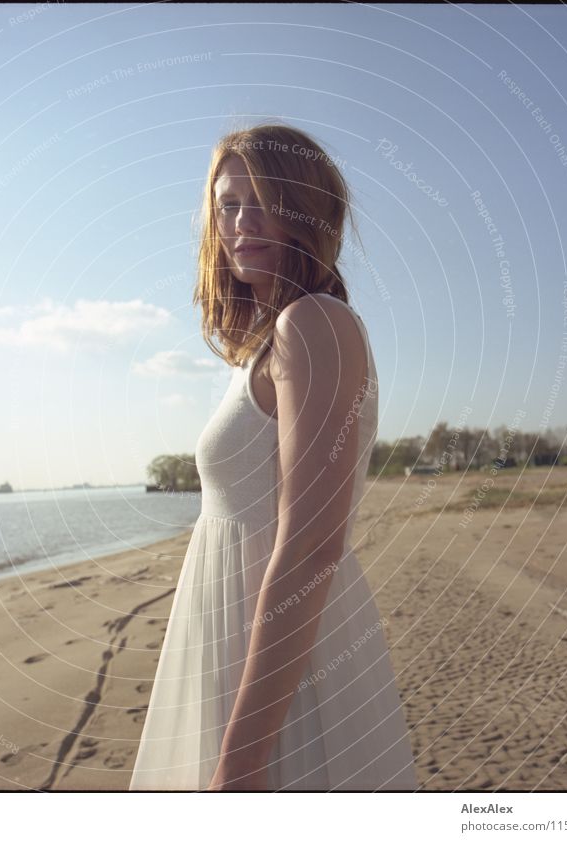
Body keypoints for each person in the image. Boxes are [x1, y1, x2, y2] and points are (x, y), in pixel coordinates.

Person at [128, 123, 418, 792]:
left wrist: (244, 753)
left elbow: (314, 544)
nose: (240, 222)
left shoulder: (313, 323)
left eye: (262, 200)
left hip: (284, 676)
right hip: (240, 649)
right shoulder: (269, 342)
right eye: (227, 204)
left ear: (307, 211)